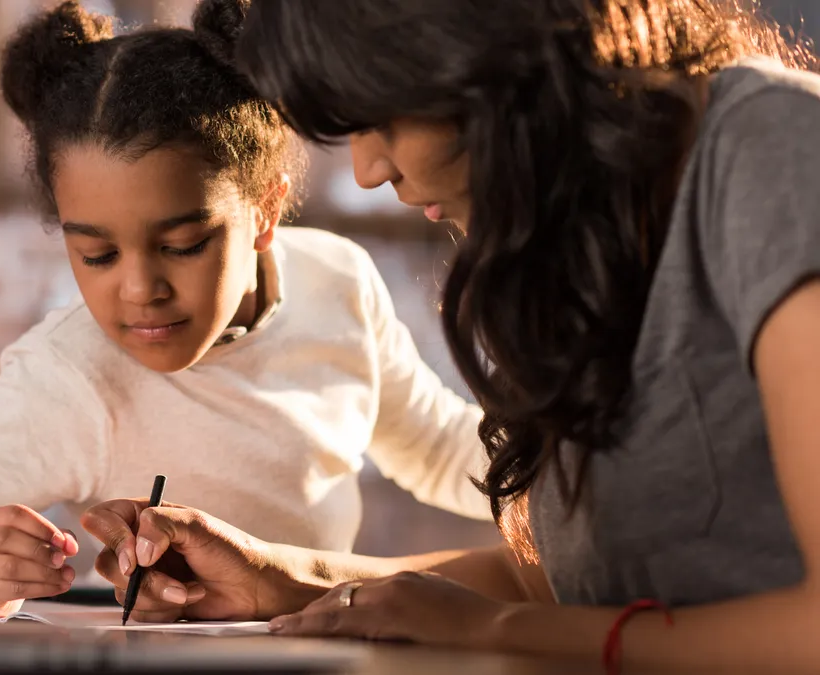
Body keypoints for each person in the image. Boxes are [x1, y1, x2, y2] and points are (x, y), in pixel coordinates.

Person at [82, 0, 820, 670]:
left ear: (479, 50)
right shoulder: (578, 232)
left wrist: (495, 630)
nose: (370, 170)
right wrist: (281, 579)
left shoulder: (772, 148)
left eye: (381, 119)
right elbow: (563, 582)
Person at [0, 0, 492, 619]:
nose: (139, 289)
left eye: (183, 245)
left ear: (265, 209)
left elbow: (440, 448)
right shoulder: (69, 376)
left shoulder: (336, 282)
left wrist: (573, 471)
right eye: (97, 254)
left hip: (323, 650)